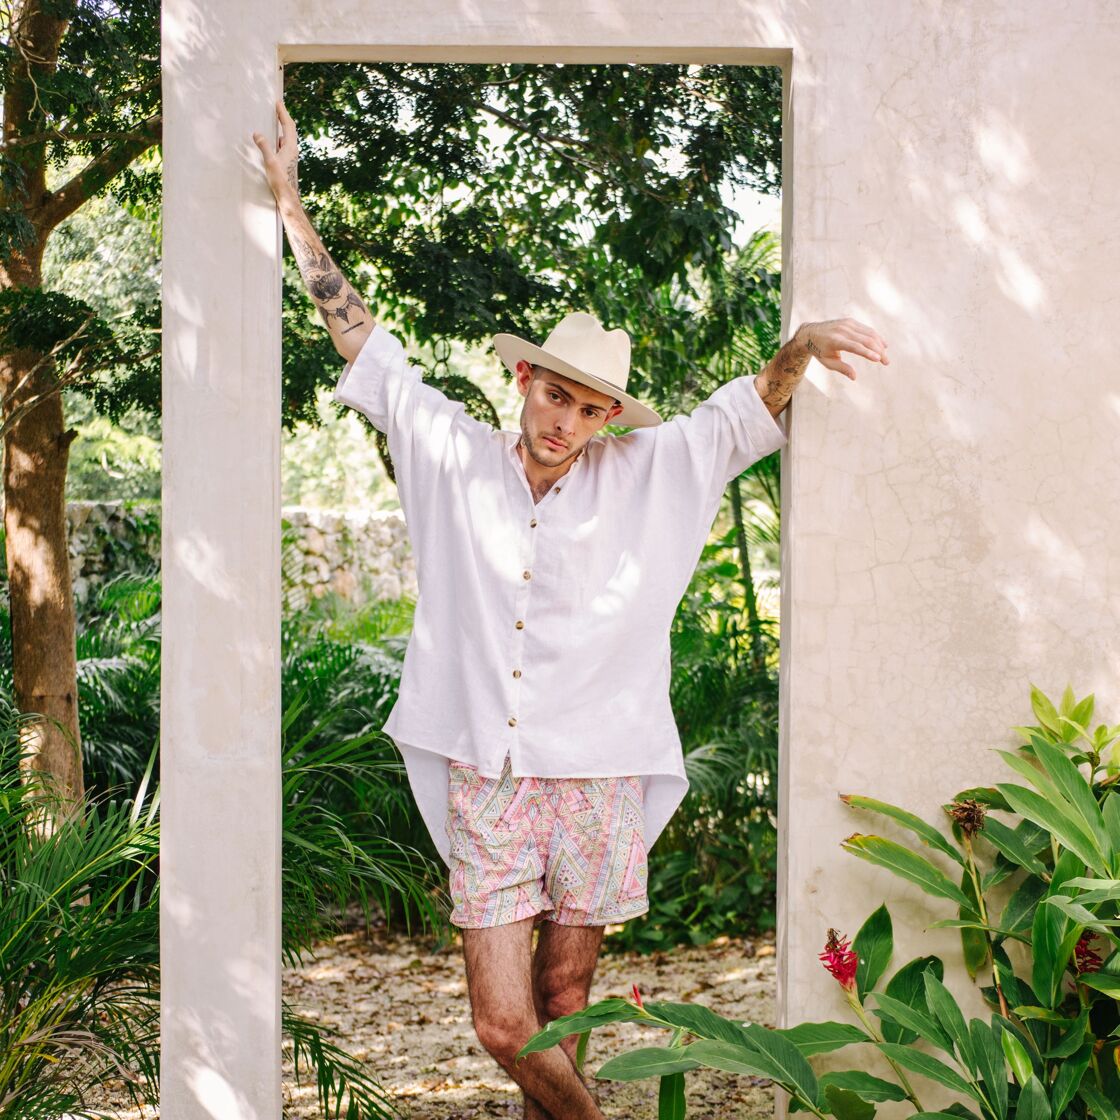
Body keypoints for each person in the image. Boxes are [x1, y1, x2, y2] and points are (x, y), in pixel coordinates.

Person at [254, 99, 889, 1119]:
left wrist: (802, 346)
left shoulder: (647, 473)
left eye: (589, 408)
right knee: (504, 1022)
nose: (566, 421)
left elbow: (740, 412)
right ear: (524, 379)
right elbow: (360, 339)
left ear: (607, 419)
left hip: (597, 771)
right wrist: (289, 201)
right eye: (554, 395)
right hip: (489, 771)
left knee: (563, 1000)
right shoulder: (452, 452)